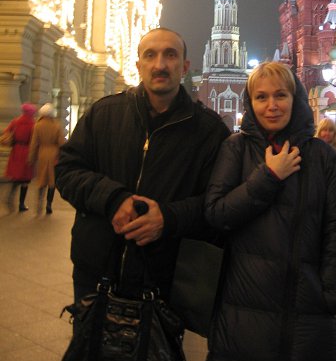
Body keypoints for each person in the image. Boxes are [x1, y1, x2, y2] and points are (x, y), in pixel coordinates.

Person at [55, 27, 230, 309]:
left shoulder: (209, 131)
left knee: (157, 340)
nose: (160, 65)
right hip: (96, 272)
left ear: (185, 66)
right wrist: (113, 200)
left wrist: (168, 219)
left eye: (170, 55)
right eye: (150, 55)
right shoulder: (104, 114)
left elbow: (216, 204)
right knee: (91, 337)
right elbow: (67, 171)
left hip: (164, 280)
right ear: (138, 66)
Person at [202, 62, 336, 361]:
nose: (271, 105)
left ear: (295, 99)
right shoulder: (236, 149)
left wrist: (330, 292)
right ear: (250, 103)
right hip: (243, 303)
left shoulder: (323, 157)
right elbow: (216, 214)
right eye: (261, 97)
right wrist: (268, 177)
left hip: (307, 307)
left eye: (280, 95)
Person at [28, 103, 65, 215]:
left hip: (42, 154)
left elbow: (34, 143)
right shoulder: (57, 125)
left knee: (41, 180)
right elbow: (62, 143)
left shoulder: (37, 126)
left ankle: (39, 203)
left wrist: (31, 158)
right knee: (52, 182)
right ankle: (49, 204)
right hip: (54, 154)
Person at [3, 103, 36, 212]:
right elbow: (34, 139)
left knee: (16, 176)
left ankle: (10, 196)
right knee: (25, 179)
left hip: (16, 150)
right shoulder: (32, 124)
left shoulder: (15, 121)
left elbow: (6, 132)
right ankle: (21, 204)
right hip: (27, 151)